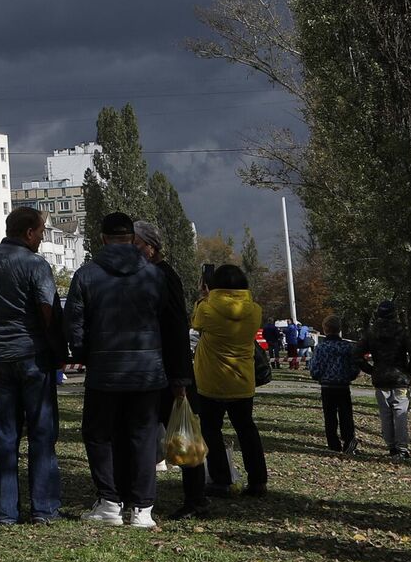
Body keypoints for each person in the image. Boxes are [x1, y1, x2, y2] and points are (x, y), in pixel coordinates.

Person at [66, 213, 186, 529]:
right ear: (131, 238)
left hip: (104, 371)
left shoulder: (86, 275)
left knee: (100, 434)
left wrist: (84, 355)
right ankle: (143, 509)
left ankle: (109, 502)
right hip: (148, 372)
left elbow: (74, 325)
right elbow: (170, 323)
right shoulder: (154, 275)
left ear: (102, 238)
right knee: (144, 436)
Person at [0, 205, 62, 525]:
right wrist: (55, 347)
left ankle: (7, 510)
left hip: (1, 358)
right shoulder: (36, 264)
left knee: (6, 436)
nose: (42, 237)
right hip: (33, 357)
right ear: (29, 233)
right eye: (41, 232)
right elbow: (47, 309)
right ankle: (43, 508)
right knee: (41, 433)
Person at [178, 265, 267, 517]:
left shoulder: (206, 309)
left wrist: (204, 296)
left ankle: (221, 479)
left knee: (211, 429)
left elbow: (195, 323)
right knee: (247, 428)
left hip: (212, 381)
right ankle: (258, 480)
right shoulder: (255, 311)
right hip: (242, 380)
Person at [131, 221, 193, 479]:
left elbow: (177, 324)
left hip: (167, 363)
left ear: (151, 248)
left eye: (136, 244)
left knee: (175, 424)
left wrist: (179, 374)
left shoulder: (164, 276)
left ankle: (194, 490)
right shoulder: (146, 275)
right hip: (154, 363)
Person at [357, 301, 411, 457]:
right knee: (400, 413)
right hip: (400, 378)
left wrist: (371, 370)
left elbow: (356, 354)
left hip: (380, 378)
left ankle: (391, 446)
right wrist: (409, 371)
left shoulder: (371, 332)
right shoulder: (403, 332)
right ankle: (402, 448)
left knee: (385, 414)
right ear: (395, 313)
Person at [307, 314, 360, 455]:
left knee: (330, 416)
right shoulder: (347, 347)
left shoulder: (321, 348)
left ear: (325, 329)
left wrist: (317, 376)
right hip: (343, 385)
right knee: (346, 415)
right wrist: (350, 376)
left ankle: (333, 444)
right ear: (339, 329)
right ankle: (349, 442)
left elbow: (315, 367)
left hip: (327, 386)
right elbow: (354, 366)